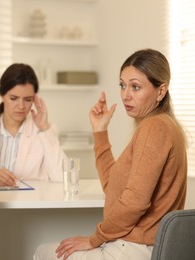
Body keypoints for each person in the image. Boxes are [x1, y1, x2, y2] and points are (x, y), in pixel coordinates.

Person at [34, 49, 187, 260]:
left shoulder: (154, 127)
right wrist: (100, 131)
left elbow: (134, 202)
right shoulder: (165, 126)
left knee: (43, 252)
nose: (126, 95)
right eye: (122, 85)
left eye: (135, 87)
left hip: (135, 249)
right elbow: (114, 187)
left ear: (161, 91)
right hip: (144, 247)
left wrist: (95, 238)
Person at [0, 63, 66, 187]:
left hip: (30, 204)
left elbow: (61, 177)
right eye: (14, 98)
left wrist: (44, 128)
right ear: (2, 95)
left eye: (28, 99)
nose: (21, 106)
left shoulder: (44, 131)